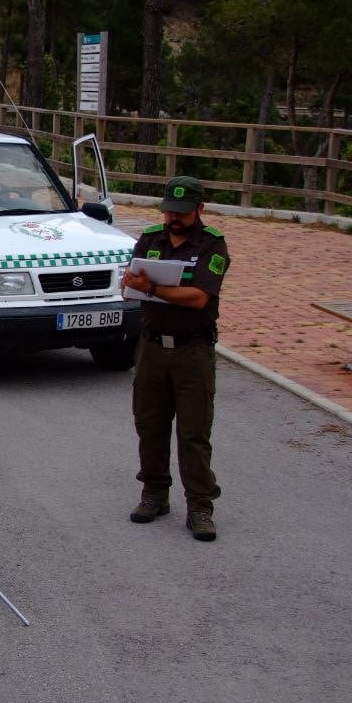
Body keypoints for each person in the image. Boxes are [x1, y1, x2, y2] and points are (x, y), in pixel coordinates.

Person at [120, 176, 231, 542]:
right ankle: (154, 493)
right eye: (169, 211)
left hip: (192, 350)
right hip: (151, 348)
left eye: (182, 213)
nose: (174, 219)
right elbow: (129, 284)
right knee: (149, 425)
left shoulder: (212, 245)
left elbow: (199, 297)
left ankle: (200, 504)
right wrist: (130, 284)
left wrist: (152, 288)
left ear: (200, 209)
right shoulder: (151, 239)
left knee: (193, 432)